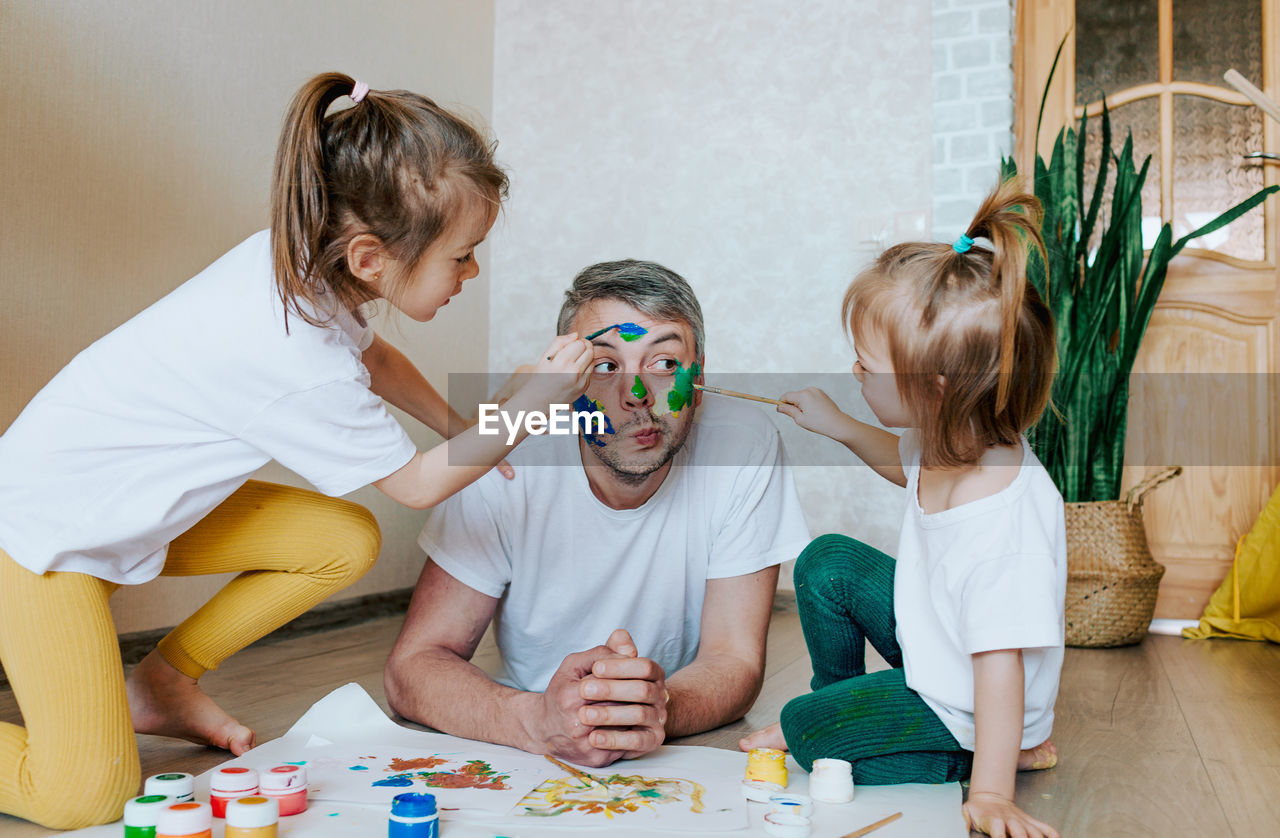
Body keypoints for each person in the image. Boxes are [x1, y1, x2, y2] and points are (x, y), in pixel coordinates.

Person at [0, 72, 592, 830]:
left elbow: (376, 362)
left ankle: (164, 681)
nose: (471, 274)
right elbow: (412, 487)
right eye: (462, 256)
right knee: (83, 797)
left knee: (339, 540)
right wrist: (523, 413)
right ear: (372, 257)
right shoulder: (290, 352)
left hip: (128, 506)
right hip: (49, 534)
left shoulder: (303, 267)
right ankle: (123, 712)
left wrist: (463, 425)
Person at [385, 259, 811, 768]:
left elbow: (734, 658)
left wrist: (655, 711)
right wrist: (534, 720)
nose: (636, 398)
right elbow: (414, 665)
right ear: (565, 385)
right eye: (605, 367)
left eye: (665, 363)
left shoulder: (746, 440)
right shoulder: (507, 446)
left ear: (701, 375)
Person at [740, 180, 1065, 838]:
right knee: (826, 561)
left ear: (934, 388)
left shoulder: (1005, 528)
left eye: (865, 367)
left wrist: (993, 792)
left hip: (973, 704)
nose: (854, 374)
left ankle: (972, 755)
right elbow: (903, 461)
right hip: (939, 643)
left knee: (805, 733)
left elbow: (997, 667)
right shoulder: (952, 433)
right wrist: (836, 424)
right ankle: (843, 701)